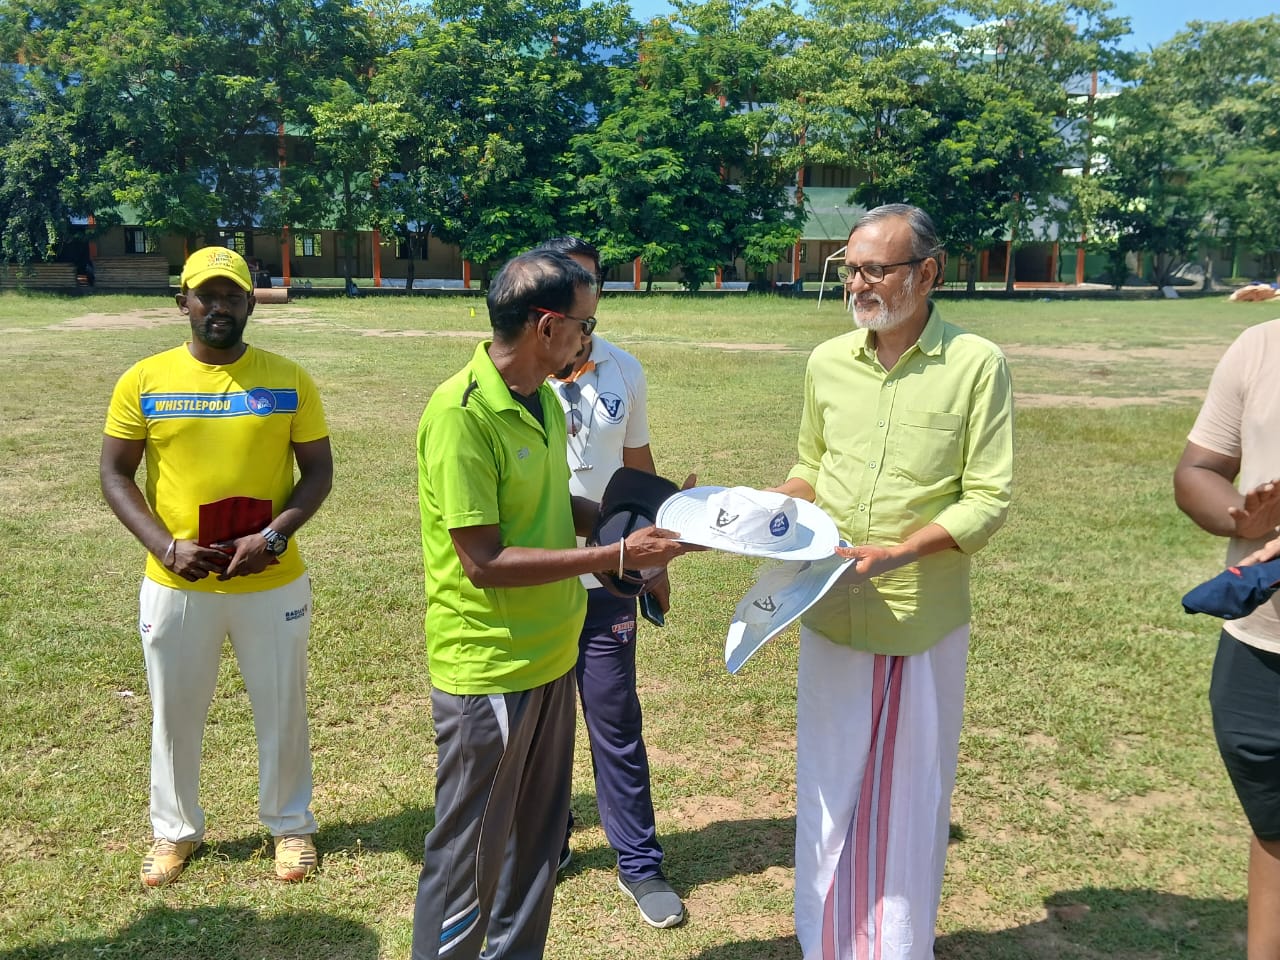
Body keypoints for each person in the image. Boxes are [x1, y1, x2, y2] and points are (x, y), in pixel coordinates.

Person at [412, 250, 690, 960]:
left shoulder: (533, 396)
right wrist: (617, 556)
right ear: (545, 327)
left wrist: (633, 522)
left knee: (535, 849)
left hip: (549, 649)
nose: (589, 337)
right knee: (470, 856)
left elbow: (546, 504)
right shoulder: (462, 415)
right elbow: (486, 562)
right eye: (583, 323)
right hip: (493, 671)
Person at [768, 204, 1014, 959]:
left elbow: (988, 496)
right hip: (829, 605)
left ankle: (899, 946)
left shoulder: (976, 364)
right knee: (827, 788)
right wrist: (766, 512)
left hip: (919, 618)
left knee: (908, 800)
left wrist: (904, 552)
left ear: (928, 272)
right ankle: (826, 942)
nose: (859, 283)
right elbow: (811, 464)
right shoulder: (827, 363)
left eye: (876, 268)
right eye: (849, 267)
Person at [99, 245, 333, 887]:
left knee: (281, 704)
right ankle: (174, 833)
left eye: (233, 295)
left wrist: (275, 537)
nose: (220, 306)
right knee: (174, 710)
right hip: (179, 580)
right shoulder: (145, 380)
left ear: (251, 302)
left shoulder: (288, 379)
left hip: (271, 580)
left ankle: (290, 825)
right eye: (207, 294)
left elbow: (318, 472)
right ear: (184, 303)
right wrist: (164, 545)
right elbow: (116, 475)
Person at [538, 237, 684, 928]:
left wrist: (649, 558)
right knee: (540, 728)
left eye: (591, 284)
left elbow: (637, 473)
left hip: (608, 586)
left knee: (615, 721)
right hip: (535, 581)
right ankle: (547, 843)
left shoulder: (625, 370)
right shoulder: (516, 376)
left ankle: (640, 864)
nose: (583, 301)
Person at [1174, 318, 1280, 960]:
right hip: (1259, 643)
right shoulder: (1261, 346)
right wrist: (1237, 515)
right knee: (1274, 827)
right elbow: (1198, 470)